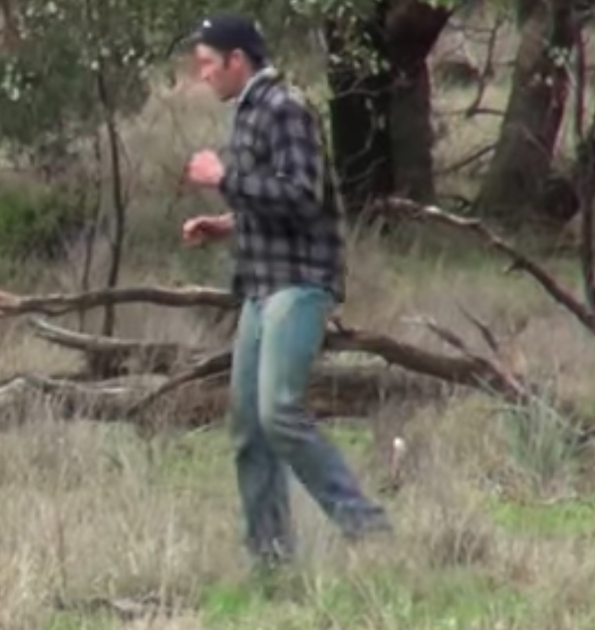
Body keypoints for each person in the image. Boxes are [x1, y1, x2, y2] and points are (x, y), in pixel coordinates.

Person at [176, 13, 392, 570]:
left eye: (208, 64)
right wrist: (226, 223)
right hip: (259, 285)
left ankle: (369, 531)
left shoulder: (285, 108)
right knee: (249, 429)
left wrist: (222, 179)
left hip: (299, 282)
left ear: (237, 60)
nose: (203, 75)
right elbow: (272, 198)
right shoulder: (249, 111)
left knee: (279, 412)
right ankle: (271, 560)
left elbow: (300, 197)